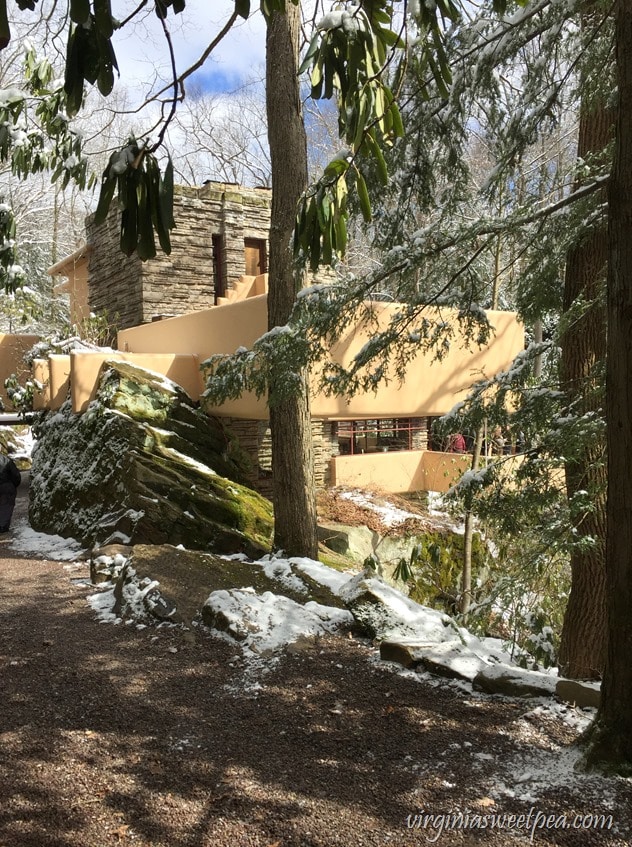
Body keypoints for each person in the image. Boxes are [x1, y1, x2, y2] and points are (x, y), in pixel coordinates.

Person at [0, 449, 21, 533]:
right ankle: (2, 526)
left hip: (6, 486)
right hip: (6, 486)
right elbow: (16, 475)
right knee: (6, 506)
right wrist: (13, 485)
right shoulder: (6, 460)